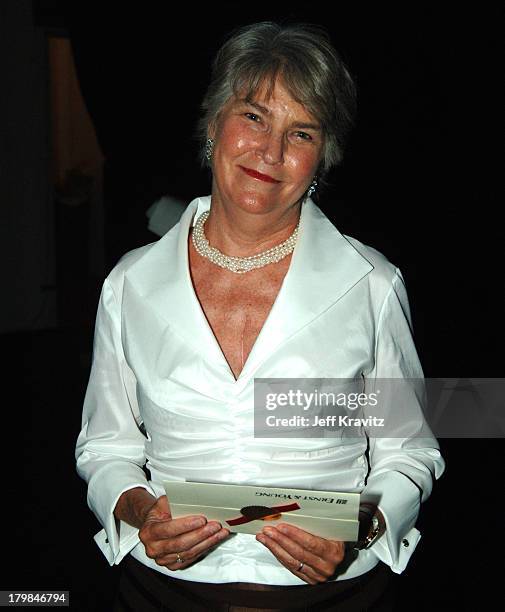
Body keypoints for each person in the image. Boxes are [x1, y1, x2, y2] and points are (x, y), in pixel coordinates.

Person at [76, 21, 445, 611]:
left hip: (336, 596)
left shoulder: (371, 283)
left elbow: (409, 450)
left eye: (300, 132)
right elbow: (105, 445)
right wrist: (138, 509)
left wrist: (362, 527)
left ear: (323, 155)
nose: (270, 152)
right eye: (253, 116)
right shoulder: (130, 284)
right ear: (213, 121)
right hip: (162, 592)